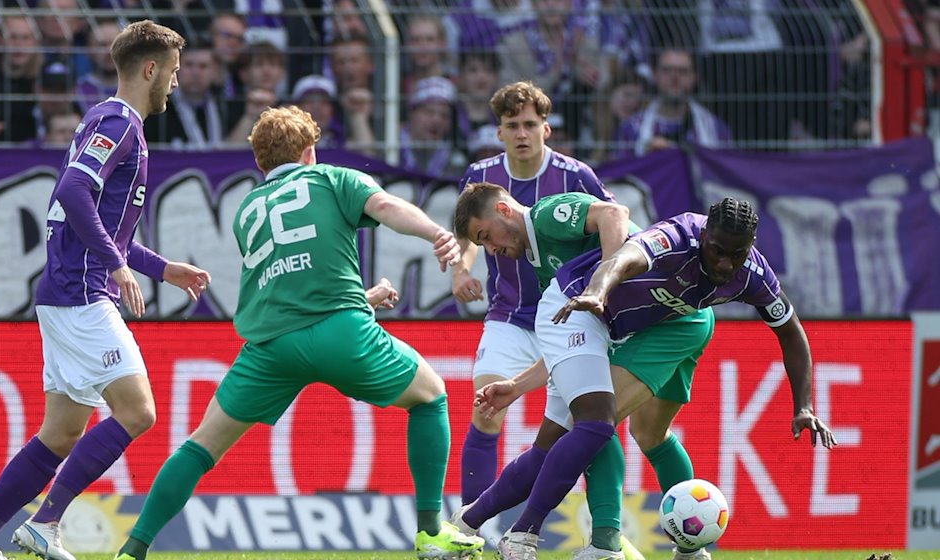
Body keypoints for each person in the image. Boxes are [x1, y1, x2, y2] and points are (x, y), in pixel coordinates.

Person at [111, 105, 485, 560]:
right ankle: (430, 532)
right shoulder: (329, 178)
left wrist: (362, 297)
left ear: (260, 163)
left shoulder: (247, 210)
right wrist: (435, 234)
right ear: (310, 150)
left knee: (200, 446)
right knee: (432, 397)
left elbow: (292, 290)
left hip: (270, 348)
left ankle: (133, 549)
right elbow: (385, 206)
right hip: (339, 334)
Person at [0, 20, 212, 560]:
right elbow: (72, 191)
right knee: (139, 412)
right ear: (150, 69)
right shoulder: (118, 123)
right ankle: (45, 523)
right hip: (82, 293)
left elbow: (93, 220)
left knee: (60, 435)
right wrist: (116, 265)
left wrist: (162, 269)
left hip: (68, 291)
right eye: (174, 72)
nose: (176, 83)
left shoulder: (108, 123)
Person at [464, 197, 837, 560]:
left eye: (736, 254)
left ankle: (487, 528)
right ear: (705, 235)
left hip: (658, 327)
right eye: (718, 251)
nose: (725, 264)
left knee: (594, 429)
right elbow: (625, 257)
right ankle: (523, 532)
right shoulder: (676, 237)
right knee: (616, 427)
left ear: (751, 247)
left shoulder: (752, 273)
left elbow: (791, 331)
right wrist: (597, 291)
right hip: (587, 309)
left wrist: (803, 404)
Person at [451, 81, 644, 556]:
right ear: (498, 132)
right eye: (512, 126)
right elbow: (469, 231)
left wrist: (604, 288)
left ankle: (606, 538)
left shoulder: (573, 176)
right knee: (488, 409)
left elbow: (611, 217)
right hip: (513, 314)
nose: (521, 134)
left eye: (529, 125)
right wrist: (460, 268)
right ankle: (472, 532)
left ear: (545, 128)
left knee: (594, 420)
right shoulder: (482, 175)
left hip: (574, 315)